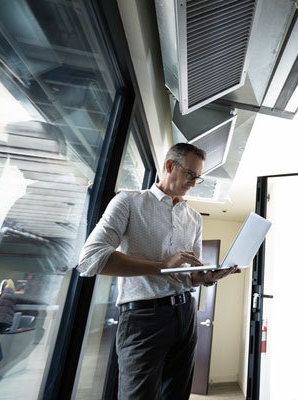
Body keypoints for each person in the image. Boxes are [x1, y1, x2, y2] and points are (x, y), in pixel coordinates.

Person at [77, 143, 238, 399]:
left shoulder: (195, 218)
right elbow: (90, 260)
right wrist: (161, 266)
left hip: (186, 314)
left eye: (198, 177)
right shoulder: (128, 202)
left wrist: (206, 277)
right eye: (191, 175)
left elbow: (190, 274)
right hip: (143, 318)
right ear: (169, 165)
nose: (194, 184)